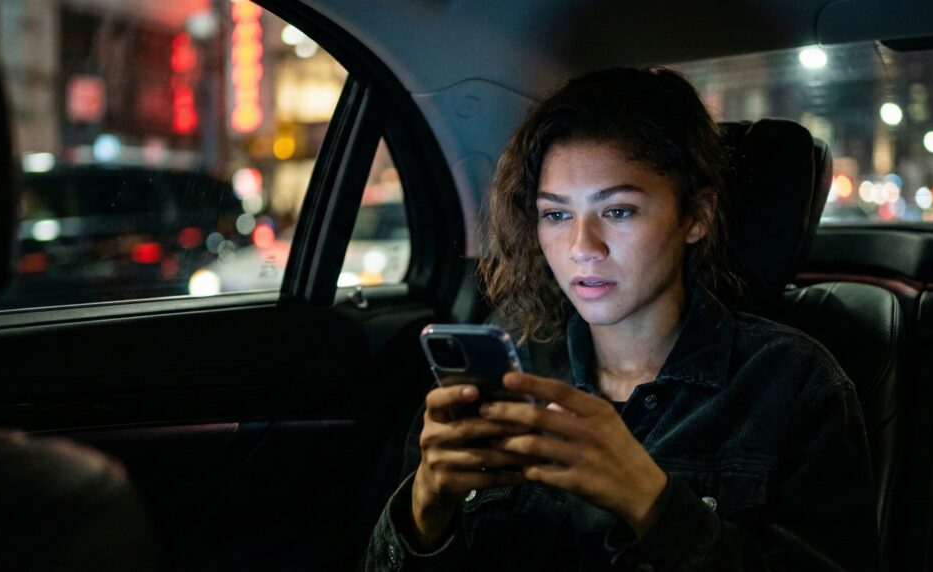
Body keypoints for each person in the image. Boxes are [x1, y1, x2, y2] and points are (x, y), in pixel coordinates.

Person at [360, 67, 879, 571]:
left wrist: (650, 501)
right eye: (556, 214)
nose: (582, 247)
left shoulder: (793, 382)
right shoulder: (507, 370)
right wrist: (425, 508)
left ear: (696, 216)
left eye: (618, 211)